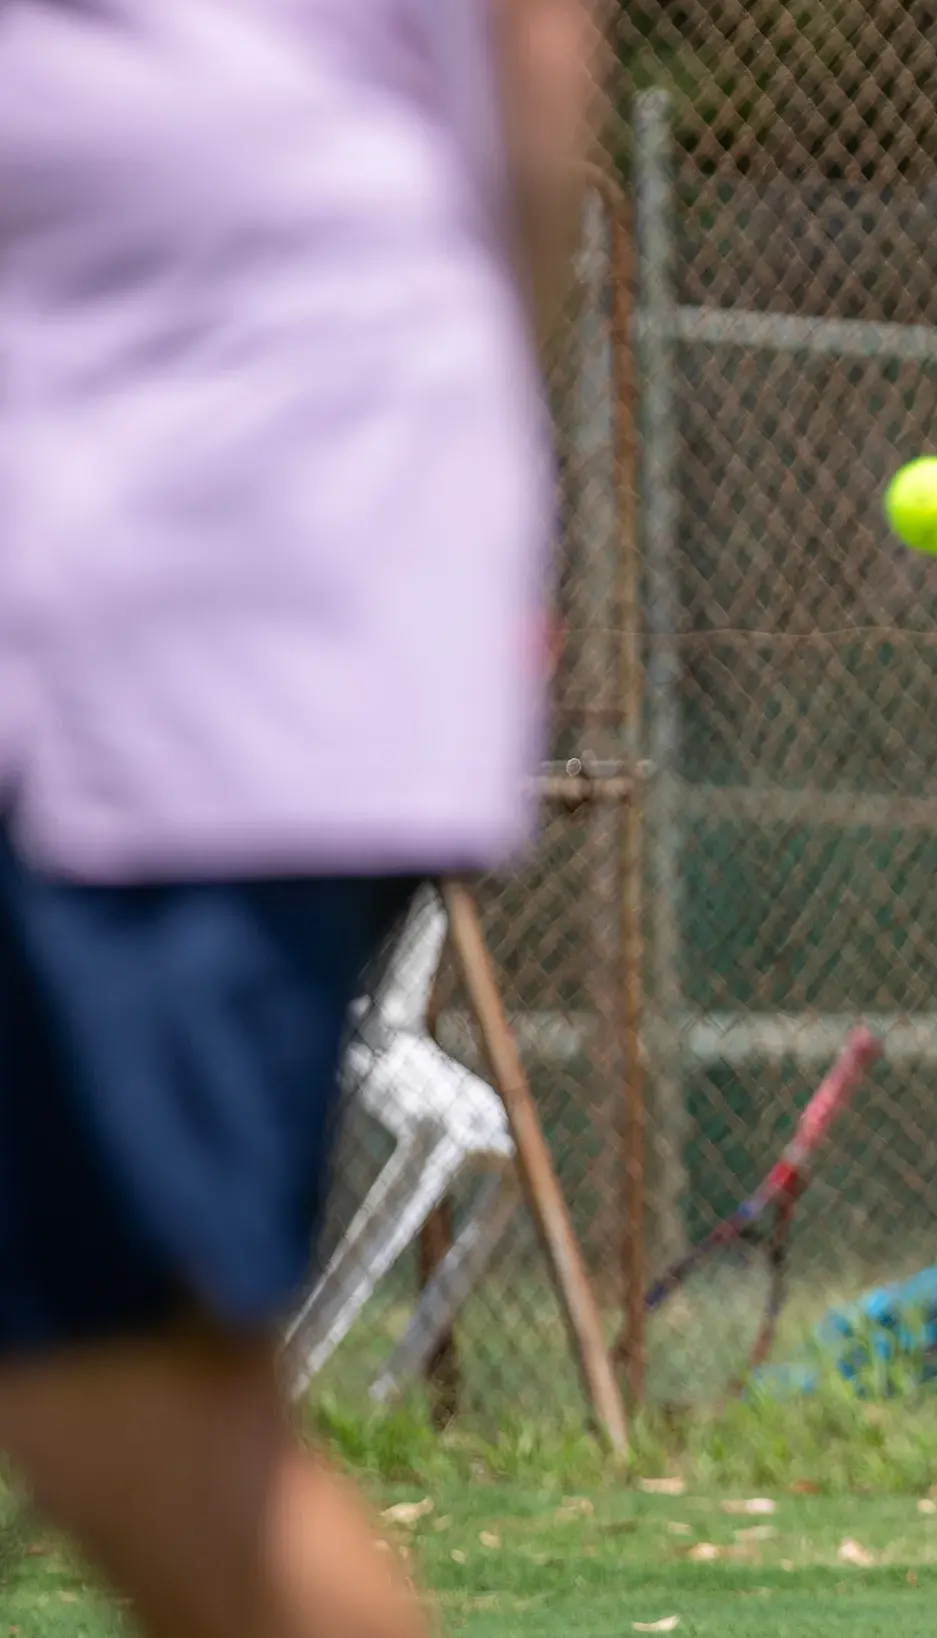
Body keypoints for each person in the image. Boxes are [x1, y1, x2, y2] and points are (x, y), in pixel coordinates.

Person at [0, 3, 600, 1636]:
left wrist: (461, 484)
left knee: (119, 1388)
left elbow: (532, 57)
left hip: (212, 553)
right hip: (135, 528)